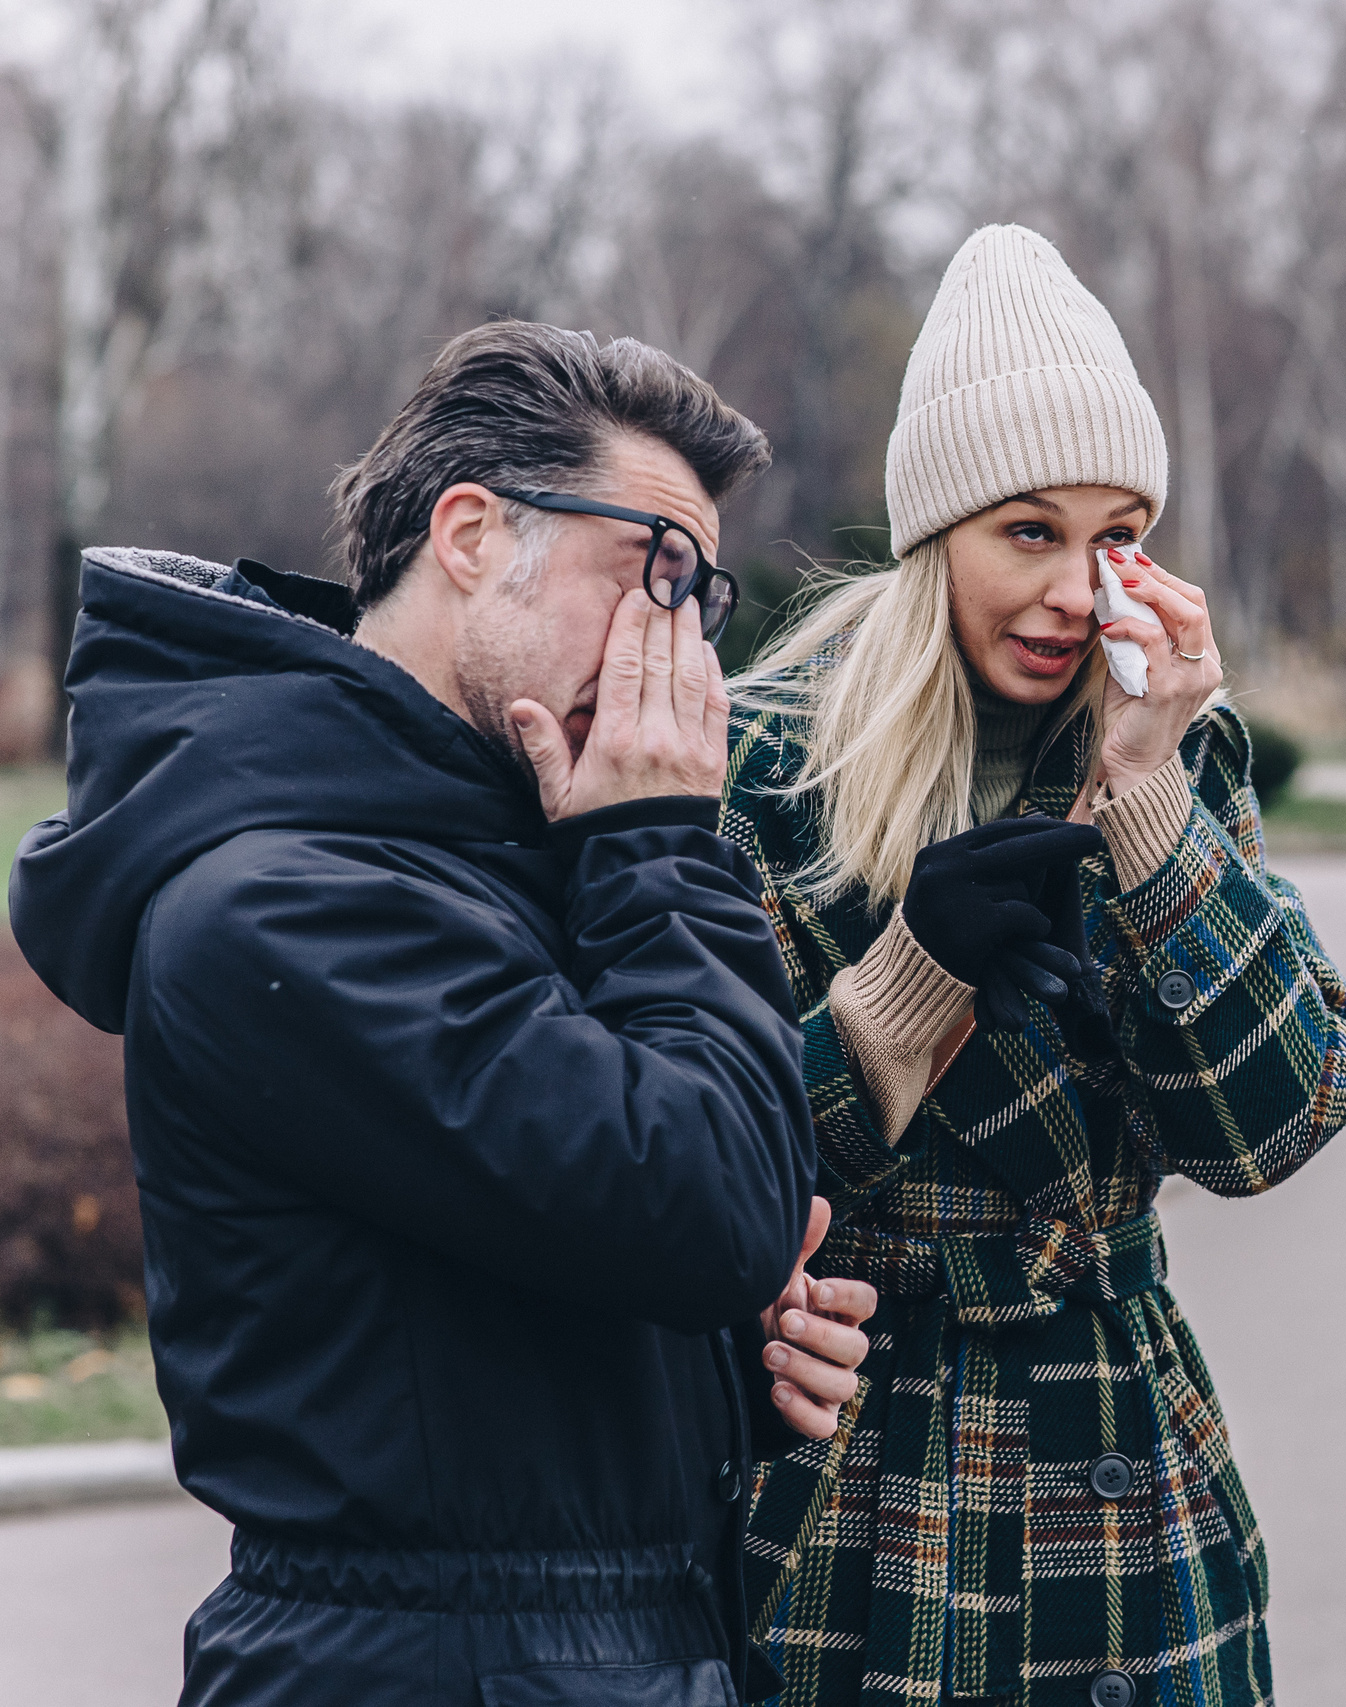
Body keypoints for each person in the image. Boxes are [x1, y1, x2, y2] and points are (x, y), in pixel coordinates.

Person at [7, 323, 879, 1707]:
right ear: (470, 533)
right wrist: (663, 845)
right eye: (650, 571)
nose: (681, 642)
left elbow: (633, 1238)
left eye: (702, 598)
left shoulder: (517, 856)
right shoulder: (285, 899)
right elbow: (709, 1198)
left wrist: (726, 1366)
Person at [717, 225, 1346, 1707]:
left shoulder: (1172, 748)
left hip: (1118, 1448)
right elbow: (710, 1159)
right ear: (934, 531)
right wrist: (908, 979)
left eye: (1118, 533)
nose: (1081, 589)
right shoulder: (763, 757)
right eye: (1028, 530)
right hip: (858, 1470)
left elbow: (1274, 1120)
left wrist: (1145, 796)